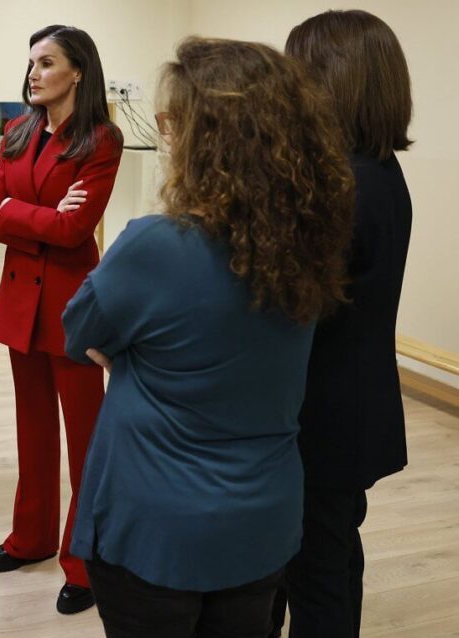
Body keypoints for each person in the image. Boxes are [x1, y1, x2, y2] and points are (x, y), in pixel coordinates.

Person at [62, 37, 355, 638]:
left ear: (208, 139)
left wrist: (132, 353)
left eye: (174, 124)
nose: (167, 136)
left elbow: (80, 335)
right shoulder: (309, 247)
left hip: (155, 529)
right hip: (261, 524)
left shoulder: (153, 247)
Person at [272, 11, 415, 638]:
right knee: (329, 552)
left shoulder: (344, 184)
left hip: (324, 416)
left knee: (317, 571)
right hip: (350, 406)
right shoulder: (377, 170)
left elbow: (289, 300)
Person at [0, 24, 122, 615]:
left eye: (47, 62)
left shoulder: (101, 141)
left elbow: (73, 230)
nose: (34, 73)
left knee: (85, 439)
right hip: (20, 305)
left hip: (73, 309)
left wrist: (15, 209)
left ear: (78, 71)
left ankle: (84, 563)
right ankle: (30, 537)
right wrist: (22, 211)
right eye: (32, 63)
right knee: (31, 430)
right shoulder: (16, 131)